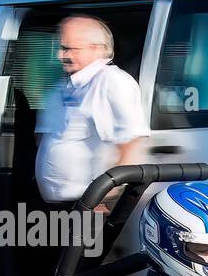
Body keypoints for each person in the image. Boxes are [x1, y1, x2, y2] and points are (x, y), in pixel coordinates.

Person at [35, 15, 150, 206]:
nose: (60, 56)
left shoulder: (112, 82)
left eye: (69, 48)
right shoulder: (66, 86)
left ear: (95, 48)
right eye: (62, 48)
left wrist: (104, 196)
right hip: (58, 204)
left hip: (90, 204)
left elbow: (132, 144)